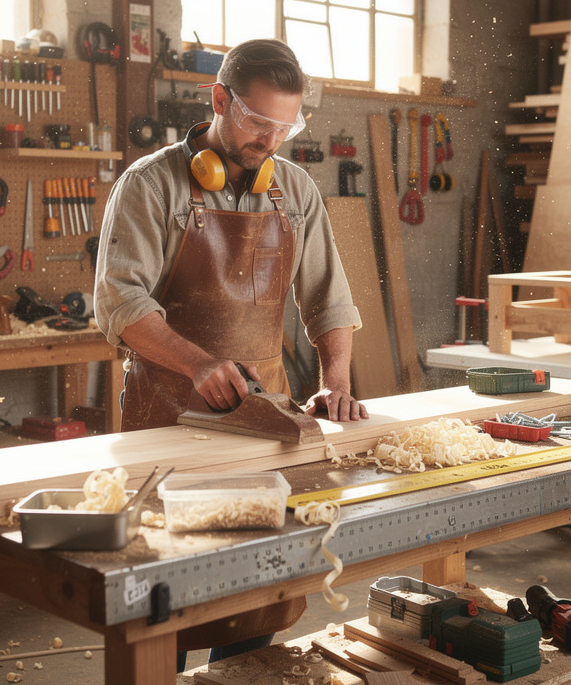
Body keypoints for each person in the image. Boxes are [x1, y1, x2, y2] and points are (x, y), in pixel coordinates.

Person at [92, 38, 368, 667]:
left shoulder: (294, 190)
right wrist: (198, 363)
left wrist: (336, 382)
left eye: (285, 127)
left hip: (264, 420)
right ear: (218, 100)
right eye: (257, 121)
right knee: (162, 592)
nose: (270, 140)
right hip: (168, 417)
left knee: (258, 588)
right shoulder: (150, 184)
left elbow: (328, 298)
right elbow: (120, 304)